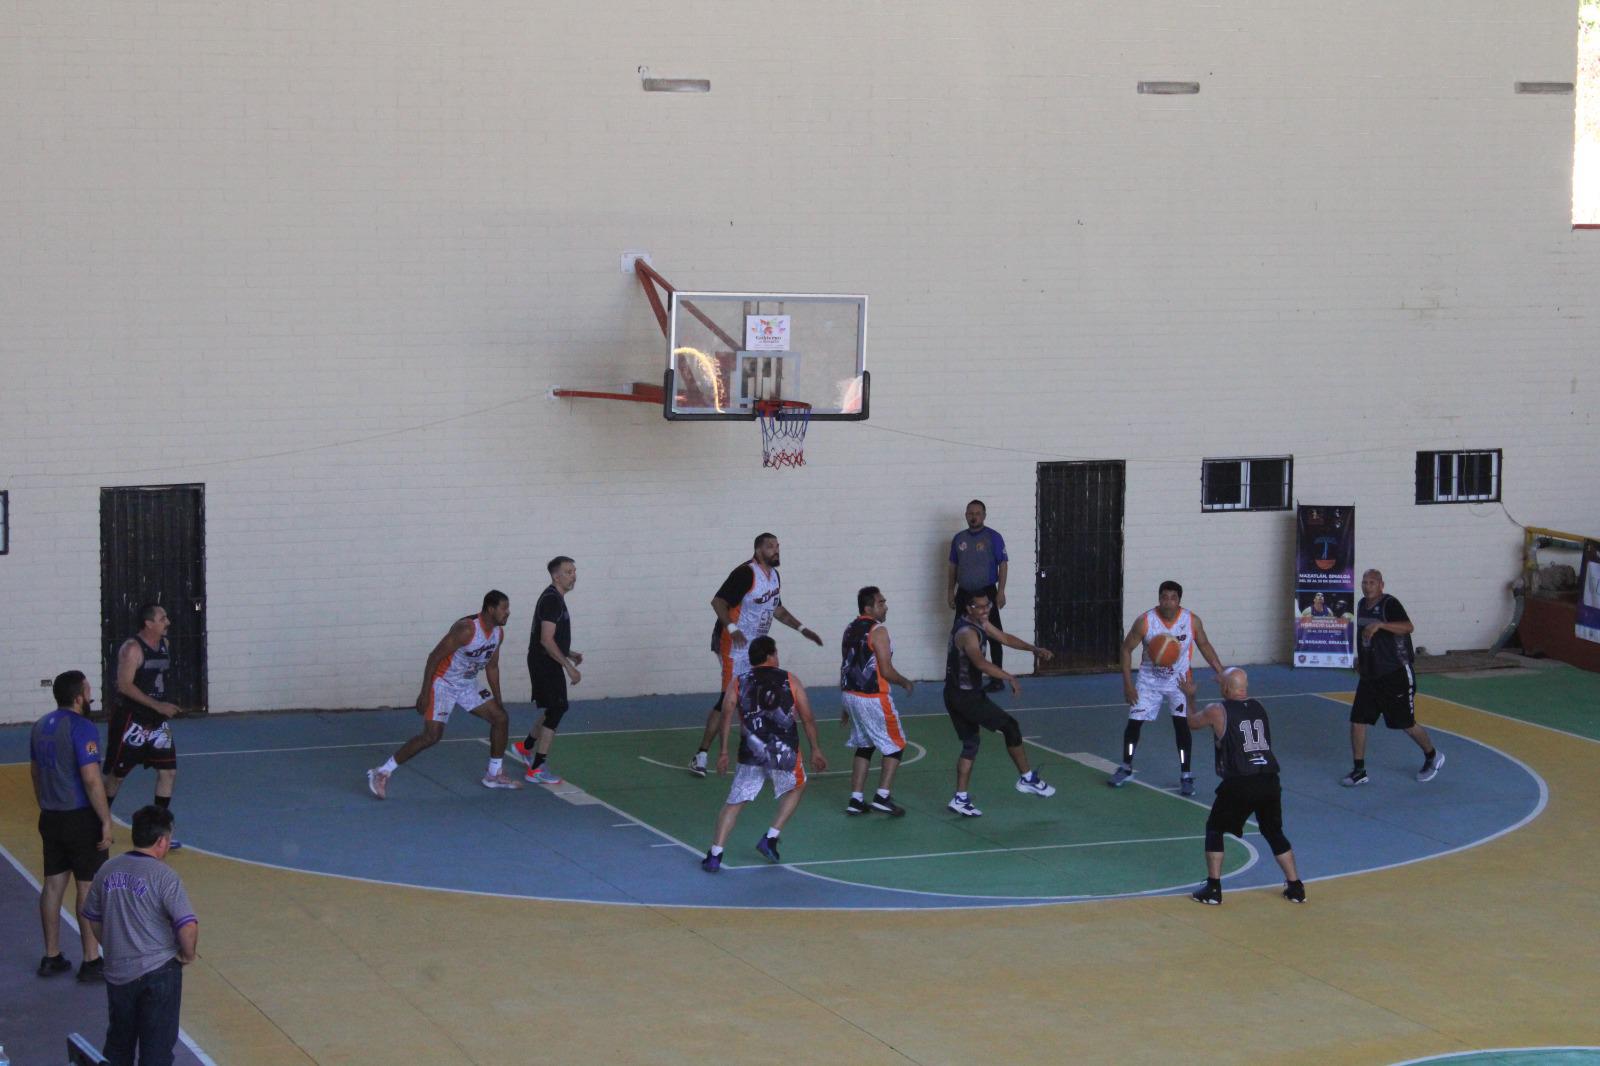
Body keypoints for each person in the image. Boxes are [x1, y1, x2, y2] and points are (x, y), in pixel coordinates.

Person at [689, 534, 823, 776]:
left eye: (778, 546)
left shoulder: (773, 577)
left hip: (756, 644)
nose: (776, 550)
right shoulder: (745, 573)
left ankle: (760, 753)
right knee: (728, 699)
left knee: (759, 697)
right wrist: (732, 627)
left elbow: (778, 610)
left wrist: (803, 629)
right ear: (758, 550)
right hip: (734, 642)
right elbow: (718, 602)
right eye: (770, 546)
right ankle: (702, 754)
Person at [367, 591, 522, 798]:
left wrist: (499, 701)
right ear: (490, 609)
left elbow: (492, 667)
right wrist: (424, 693)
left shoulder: (497, 634)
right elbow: (433, 657)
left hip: (467, 684)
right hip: (444, 683)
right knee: (431, 736)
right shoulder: (466, 629)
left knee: (500, 718)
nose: (508, 613)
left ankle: (493, 774)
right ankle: (382, 771)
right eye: (504, 608)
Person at [83, 805, 198, 1066]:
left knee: (118, 1045)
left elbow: (91, 916)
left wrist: (112, 945)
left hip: (119, 972)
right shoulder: (165, 877)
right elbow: (187, 925)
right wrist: (186, 954)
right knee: (156, 1051)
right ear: (161, 841)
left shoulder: (108, 869)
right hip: (159, 971)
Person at [700, 637, 827, 871]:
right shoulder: (790, 679)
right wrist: (815, 749)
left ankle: (715, 855)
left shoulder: (739, 682)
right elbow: (807, 717)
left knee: (735, 802)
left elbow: (726, 716)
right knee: (797, 786)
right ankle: (770, 837)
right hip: (783, 750)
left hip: (752, 751)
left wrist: (724, 752)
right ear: (770, 655)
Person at [1180, 670, 1305, 906]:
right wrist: (1227, 683)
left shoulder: (1216, 710)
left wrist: (1189, 697)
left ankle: (1213, 889)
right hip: (1269, 778)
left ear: (1226, 688)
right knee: (1273, 832)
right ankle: (1296, 887)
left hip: (1240, 780)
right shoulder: (1259, 706)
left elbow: (1191, 722)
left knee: (1215, 829)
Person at [943, 589, 1056, 817]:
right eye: (980, 607)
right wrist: (1009, 676)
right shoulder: (967, 633)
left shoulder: (979, 622)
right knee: (1010, 726)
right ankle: (1026, 778)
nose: (985, 611)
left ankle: (960, 798)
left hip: (953, 694)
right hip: (967, 697)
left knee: (971, 744)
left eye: (988, 606)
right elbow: (980, 662)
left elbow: (1005, 638)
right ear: (968, 608)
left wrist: (1034, 650)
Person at [30, 670, 112, 982]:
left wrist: (45, 804)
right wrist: (105, 820)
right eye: (88, 691)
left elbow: (36, 773)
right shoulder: (83, 728)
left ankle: (51, 956)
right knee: (86, 887)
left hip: (51, 816)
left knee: (53, 885)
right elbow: (92, 780)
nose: (91, 696)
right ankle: (91, 960)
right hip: (79, 817)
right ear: (78, 697)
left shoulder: (40, 727)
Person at [1107, 581, 1226, 796]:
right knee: (1134, 723)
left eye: (1172, 597)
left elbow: (1205, 645)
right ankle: (1126, 767)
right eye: (1164, 597)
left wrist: (1221, 671)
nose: (1168, 601)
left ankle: (1186, 775)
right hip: (1148, 681)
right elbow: (1126, 649)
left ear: (1179, 600)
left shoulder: (1191, 621)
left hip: (1179, 681)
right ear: (1159, 599)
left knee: (1182, 726)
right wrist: (1127, 684)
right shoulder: (1146, 621)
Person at [1342, 569, 1443, 786]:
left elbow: (1408, 627)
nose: (1367, 586)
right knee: (1358, 720)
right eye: (1364, 582)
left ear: (1381, 585)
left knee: (1405, 723)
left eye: (1371, 582)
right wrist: (1361, 659)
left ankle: (1432, 755)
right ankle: (1359, 770)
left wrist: (1382, 625)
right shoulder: (1360, 605)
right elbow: (1364, 636)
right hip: (1371, 675)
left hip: (1395, 673)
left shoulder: (1390, 604)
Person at [104, 605, 183, 834]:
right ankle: (100, 819)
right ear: (149, 624)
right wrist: (157, 704)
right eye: (162, 618)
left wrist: (164, 703)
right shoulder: (132, 649)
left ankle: (160, 828)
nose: (167, 622)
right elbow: (124, 685)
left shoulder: (165, 645)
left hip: (156, 721)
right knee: (116, 775)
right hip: (131, 719)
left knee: (168, 771)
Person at [839, 587, 915, 817]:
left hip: (850, 694)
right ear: (868, 608)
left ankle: (856, 799)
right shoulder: (878, 630)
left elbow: (846, 665)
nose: (886, 606)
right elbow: (886, 669)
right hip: (873, 697)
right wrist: (905, 682)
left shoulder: (850, 628)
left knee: (865, 744)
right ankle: (882, 796)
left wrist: (844, 705)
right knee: (897, 744)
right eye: (881, 603)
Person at [514, 557, 582, 784]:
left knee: (554, 708)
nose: (573, 575)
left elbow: (550, 637)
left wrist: (569, 652)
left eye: (574, 571)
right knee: (558, 708)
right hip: (545, 663)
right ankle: (536, 767)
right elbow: (545, 640)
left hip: (546, 660)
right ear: (556, 576)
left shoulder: (555, 599)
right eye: (568, 571)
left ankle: (525, 747)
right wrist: (569, 667)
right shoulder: (552, 600)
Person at [947, 500, 1009, 692]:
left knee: (994, 635)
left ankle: (997, 679)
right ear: (966, 515)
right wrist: (950, 590)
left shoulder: (994, 537)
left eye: (978, 513)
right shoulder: (959, 539)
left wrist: (1000, 591)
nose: (974, 516)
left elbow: (1003, 564)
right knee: (959, 634)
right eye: (970, 513)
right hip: (964, 594)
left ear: (984, 515)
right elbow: (952, 567)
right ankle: (959, 677)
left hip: (987, 593)